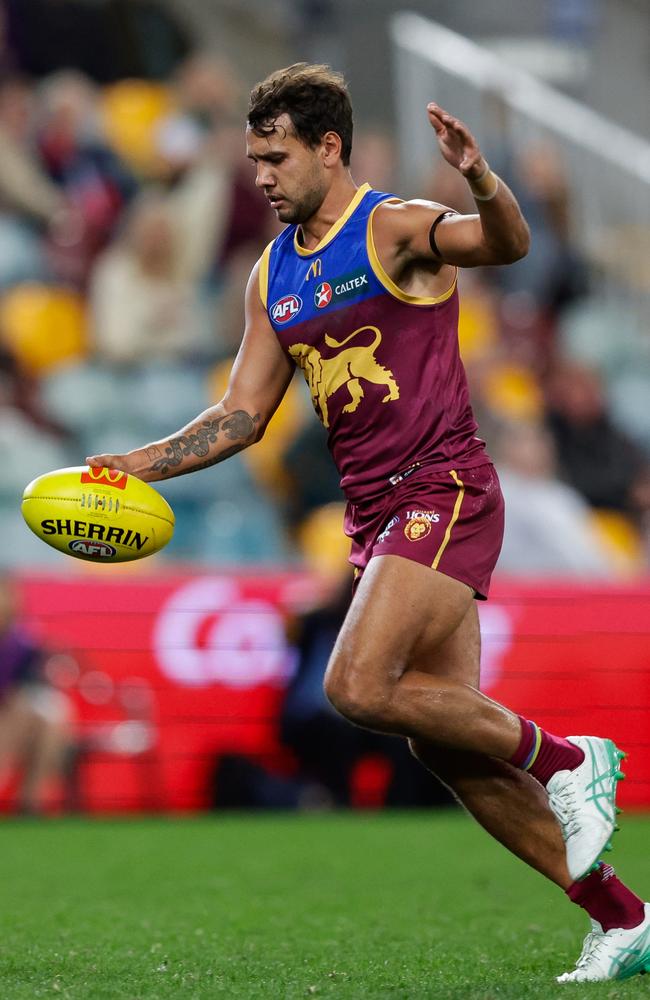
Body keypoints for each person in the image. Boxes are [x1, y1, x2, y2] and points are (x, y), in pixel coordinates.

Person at [86, 64, 649, 984]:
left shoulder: (389, 227)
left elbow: (503, 245)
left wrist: (480, 178)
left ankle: (568, 756)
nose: (260, 176)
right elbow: (240, 414)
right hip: (379, 515)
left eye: (276, 157)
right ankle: (624, 917)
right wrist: (130, 466)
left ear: (328, 148)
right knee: (447, 745)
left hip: (446, 487)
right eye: (252, 159)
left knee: (354, 684)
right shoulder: (273, 271)